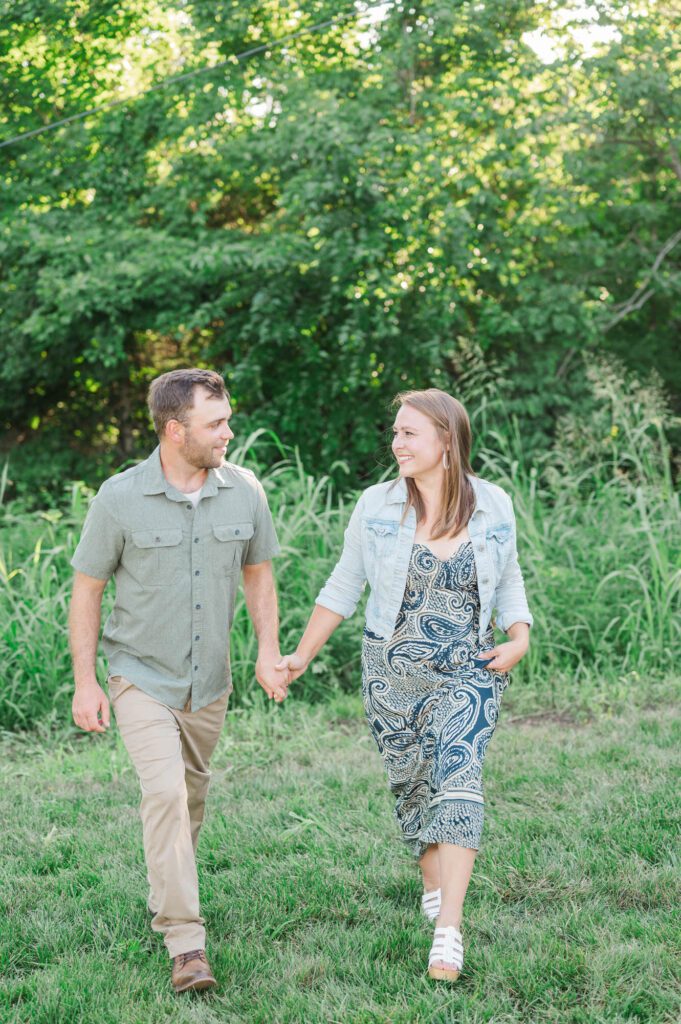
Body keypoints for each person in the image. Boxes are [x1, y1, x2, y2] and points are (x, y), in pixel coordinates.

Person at [278, 388, 532, 982]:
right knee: (412, 783)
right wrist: (301, 655)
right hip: (390, 670)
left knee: (459, 774)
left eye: (409, 433)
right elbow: (345, 584)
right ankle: (429, 874)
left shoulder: (493, 504)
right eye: (395, 432)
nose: (396, 443)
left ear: (446, 439)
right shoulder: (376, 506)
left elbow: (511, 577)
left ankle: (449, 932)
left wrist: (519, 637)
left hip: (469, 668)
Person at [69, 368, 288, 994]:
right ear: (175, 429)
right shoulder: (119, 497)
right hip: (138, 674)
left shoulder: (245, 490)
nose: (228, 432)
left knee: (189, 800)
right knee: (164, 793)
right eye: (215, 423)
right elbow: (87, 590)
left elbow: (259, 575)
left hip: (208, 683)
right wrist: (87, 682)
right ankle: (186, 944)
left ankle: (165, 886)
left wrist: (267, 652)